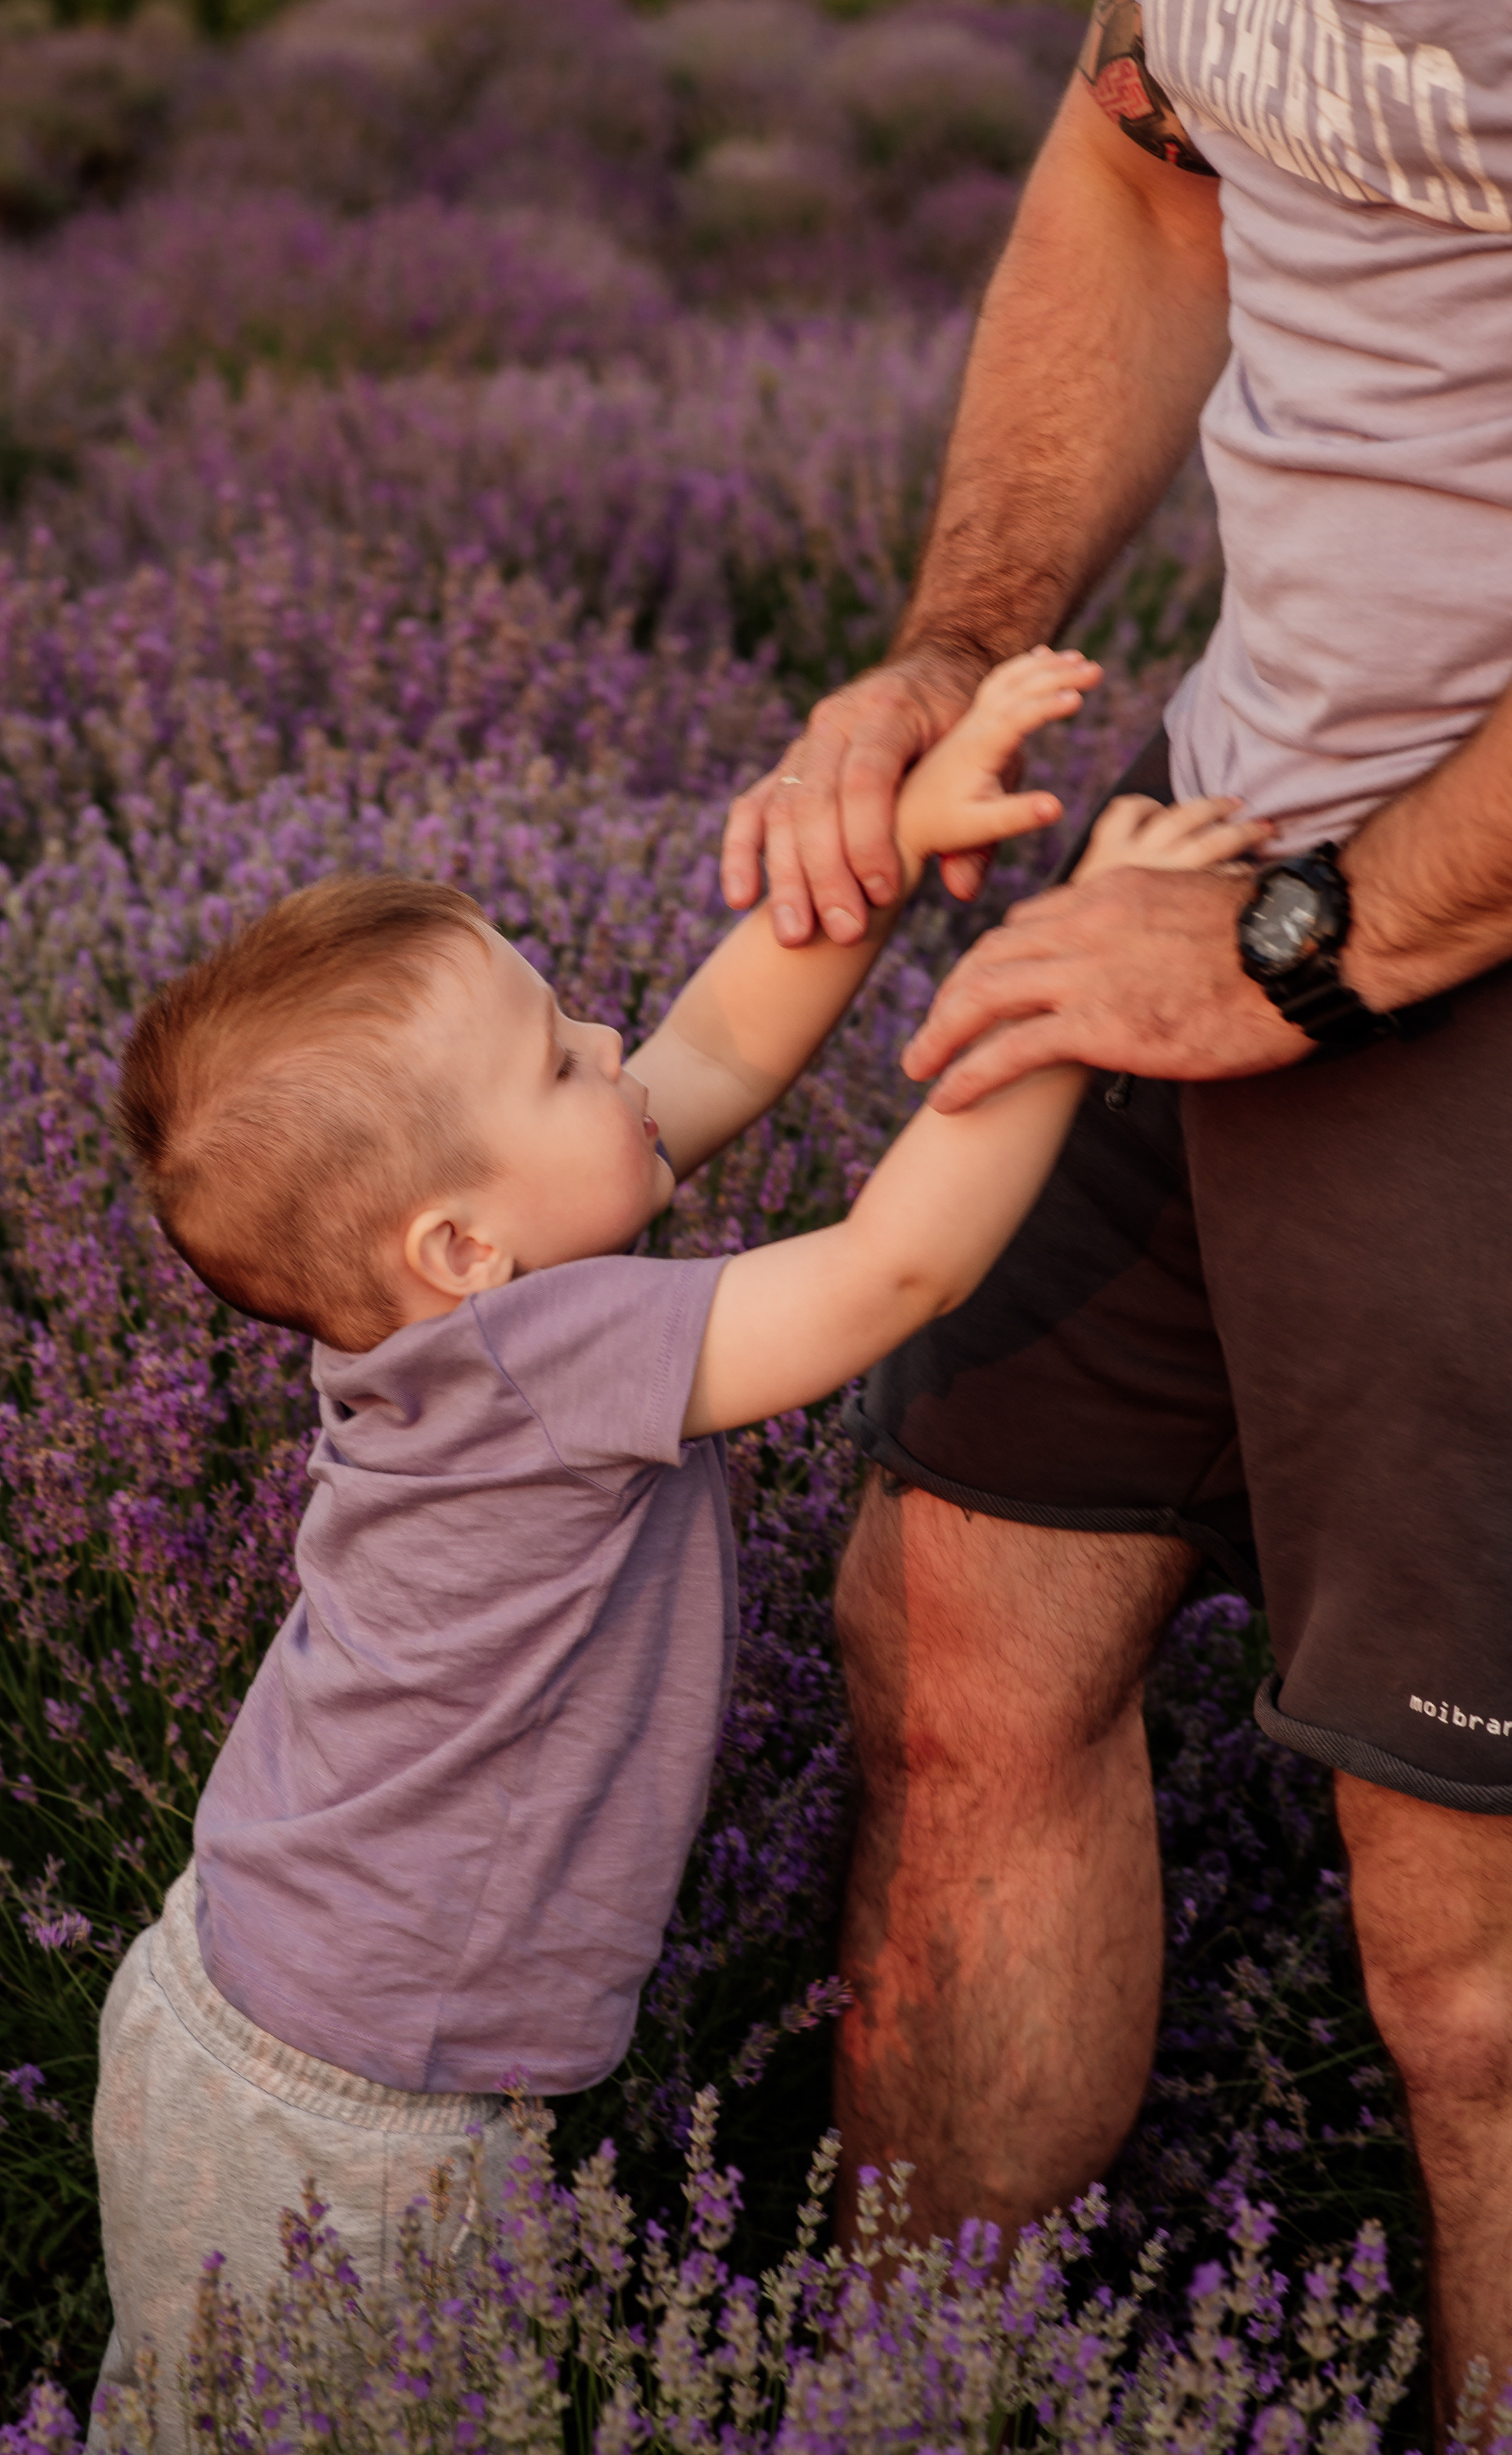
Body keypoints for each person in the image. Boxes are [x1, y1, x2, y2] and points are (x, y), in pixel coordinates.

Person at [85, 645, 1258, 2444]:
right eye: (559, 1061)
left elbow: (709, 1047)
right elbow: (895, 1270)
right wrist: (1071, 986)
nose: (609, 1052)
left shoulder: (445, 1324)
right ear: (462, 1242)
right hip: (359, 2120)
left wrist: (891, 852)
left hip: (229, 1999)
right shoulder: (551, 1354)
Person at [721, 0, 1512, 2414]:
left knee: (1466, 1962)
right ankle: (897, 2405)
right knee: (957, 1640)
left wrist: (1324, 943)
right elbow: (1145, 158)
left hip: (1397, 944)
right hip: (1227, 850)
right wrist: (949, 642)